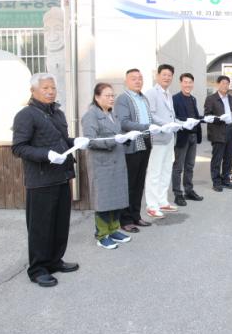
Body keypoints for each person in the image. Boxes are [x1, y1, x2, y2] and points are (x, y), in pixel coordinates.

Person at [12, 73, 88, 287]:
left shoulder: (58, 113)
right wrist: (46, 155)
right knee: (41, 227)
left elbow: (61, 140)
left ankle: (55, 261)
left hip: (62, 176)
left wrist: (76, 141)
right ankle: (38, 269)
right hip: (41, 180)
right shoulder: (26, 115)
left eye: (53, 87)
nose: (50, 91)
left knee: (60, 223)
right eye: (45, 88)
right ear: (33, 91)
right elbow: (18, 147)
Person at [81, 83, 131, 249]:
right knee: (103, 201)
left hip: (117, 162)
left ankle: (113, 229)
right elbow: (90, 140)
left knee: (116, 198)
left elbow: (118, 133)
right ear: (97, 97)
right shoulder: (91, 116)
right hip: (102, 164)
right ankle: (102, 234)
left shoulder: (112, 114)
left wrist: (126, 137)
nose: (111, 98)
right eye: (107, 95)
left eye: (112, 95)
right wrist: (113, 141)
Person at [114, 68, 160, 233]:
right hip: (132, 145)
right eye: (133, 78)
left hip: (145, 142)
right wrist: (146, 127)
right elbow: (124, 122)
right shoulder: (123, 99)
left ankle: (135, 215)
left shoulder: (143, 98)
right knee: (130, 183)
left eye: (140, 78)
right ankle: (125, 219)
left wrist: (159, 126)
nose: (138, 81)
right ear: (126, 81)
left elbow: (149, 118)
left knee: (139, 182)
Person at [144, 64, 182, 218]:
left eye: (169, 75)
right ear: (157, 75)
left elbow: (171, 116)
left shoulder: (168, 93)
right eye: (164, 74)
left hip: (169, 137)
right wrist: (167, 124)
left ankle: (162, 201)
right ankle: (152, 206)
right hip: (158, 139)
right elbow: (151, 115)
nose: (167, 77)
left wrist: (180, 123)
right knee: (154, 172)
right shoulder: (151, 93)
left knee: (166, 170)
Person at [204, 75, 232, 192]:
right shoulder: (211, 99)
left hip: (230, 130)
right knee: (217, 159)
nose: (225, 85)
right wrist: (220, 119)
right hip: (218, 131)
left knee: (228, 158)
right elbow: (207, 116)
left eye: (227, 83)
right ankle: (216, 182)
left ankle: (226, 180)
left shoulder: (230, 98)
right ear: (218, 84)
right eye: (223, 83)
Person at [172, 73, 205, 206]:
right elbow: (174, 117)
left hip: (193, 136)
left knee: (190, 166)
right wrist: (187, 120)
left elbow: (195, 116)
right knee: (178, 167)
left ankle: (189, 191)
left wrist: (204, 118)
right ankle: (177, 194)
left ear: (192, 84)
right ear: (181, 83)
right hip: (182, 136)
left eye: (190, 82)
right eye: (185, 82)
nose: (188, 85)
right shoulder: (175, 99)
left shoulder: (193, 99)